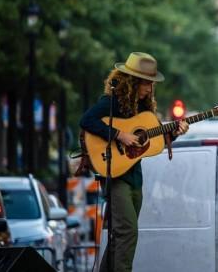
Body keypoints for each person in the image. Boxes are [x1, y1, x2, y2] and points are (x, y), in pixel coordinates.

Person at [80, 52, 189, 272]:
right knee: (128, 232)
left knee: (119, 236)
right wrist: (119, 135)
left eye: (151, 84)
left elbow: (157, 140)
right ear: (132, 82)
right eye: (146, 83)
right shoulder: (110, 103)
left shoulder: (144, 111)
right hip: (116, 177)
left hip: (134, 178)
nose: (150, 88)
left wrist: (176, 132)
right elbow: (87, 120)